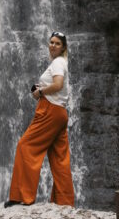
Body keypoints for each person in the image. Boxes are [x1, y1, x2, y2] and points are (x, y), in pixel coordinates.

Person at [5, 31, 75, 207]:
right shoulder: (61, 63)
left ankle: (22, 196)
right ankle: (64, 201)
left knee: (25, 146)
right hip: (60, 113)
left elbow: (58, 85)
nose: (53, 45)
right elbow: (59, 87)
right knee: (59, 158)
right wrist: (40, 89)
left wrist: (41, 92)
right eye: (51, 42)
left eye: (57, 43)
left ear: (64, 47)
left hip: (50, 111)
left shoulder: (58, 63)